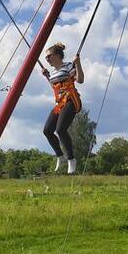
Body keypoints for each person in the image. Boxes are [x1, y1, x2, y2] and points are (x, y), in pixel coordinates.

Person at [42, 42, 84, 175]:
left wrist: (77, 63)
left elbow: (80, 80)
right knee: (47, 130)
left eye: (49, 56)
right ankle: (60, 156)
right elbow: (55, 87)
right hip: (60, 102)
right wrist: (47, 77)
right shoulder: (54, 72)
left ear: (58, 55)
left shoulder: (68, 66)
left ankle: (71, 159)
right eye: (46, 58)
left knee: (60, 130)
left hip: (71, 100)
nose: (47, 59)